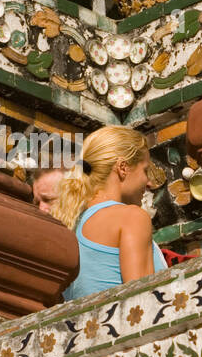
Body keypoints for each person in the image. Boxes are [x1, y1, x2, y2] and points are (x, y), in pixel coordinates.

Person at [51, 127, 164, 300]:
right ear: (122, 168)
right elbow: (143, 303)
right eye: (145, 170)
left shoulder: (70, 226)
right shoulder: (131, 217)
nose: (148, 182)